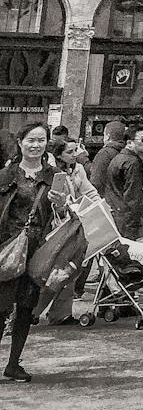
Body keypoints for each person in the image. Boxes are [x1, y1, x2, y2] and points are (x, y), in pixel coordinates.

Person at [0, 123, 57, 382]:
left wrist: (63, 204)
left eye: (41, 140)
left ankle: (13, 364)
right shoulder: (5, 175)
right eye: (31, 140)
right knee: (0, 309)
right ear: (20, 142)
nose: (36, 145)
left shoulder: (55, 175)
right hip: (7, 248)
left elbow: (66, 214)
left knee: (25, 309)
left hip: (37, 250)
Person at [105, 127, 143, 240]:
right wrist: (136, 221)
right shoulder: (132, 162)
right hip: (128, 219)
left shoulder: (118, 159)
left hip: (116, 213)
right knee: (132, 253)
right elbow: (133, 196)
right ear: (130, 142)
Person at [88, 120, 126, 195]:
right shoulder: (127, 153)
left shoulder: (105, 153)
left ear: (108, 136)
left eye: (104, 134)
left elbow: (96, 181)